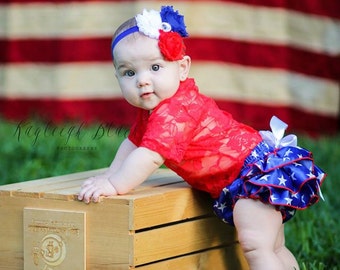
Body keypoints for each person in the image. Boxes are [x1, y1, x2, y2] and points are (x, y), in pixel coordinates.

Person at [78, 6, 326, 270]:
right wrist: (109, 176)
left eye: (155, 67)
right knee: (272, 246)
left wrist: (116, 185)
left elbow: (149, 156)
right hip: (242, 177)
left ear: (182, 68)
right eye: (129, 73)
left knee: (256, 245)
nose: (142, 81)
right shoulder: (153, 112)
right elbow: (132, 144)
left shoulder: (177, 110)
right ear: (117, 76)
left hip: (250, 174)